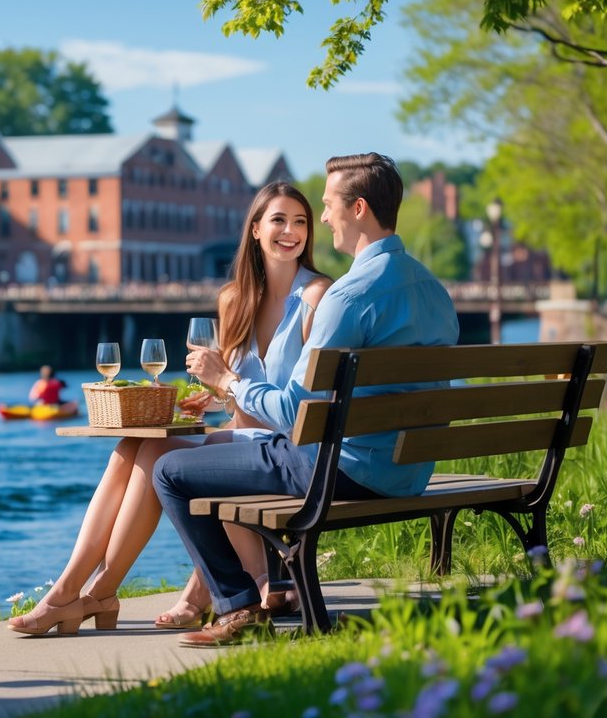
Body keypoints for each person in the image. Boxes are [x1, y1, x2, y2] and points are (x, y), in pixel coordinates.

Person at [154, 152, 460, 648]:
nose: (322, 218)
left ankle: (238, 607)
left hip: (341, 471)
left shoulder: (346, 297)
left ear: (357, 208)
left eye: (326, 205)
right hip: (409, 471)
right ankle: (267, 587)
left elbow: (297, 413)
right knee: (224, 457)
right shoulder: (431, 287)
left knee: (169, 470)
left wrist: (229, 383)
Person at [8, 182, 331, 636]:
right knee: (132, 446)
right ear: (255, 229)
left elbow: (300, 403)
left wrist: (227, 385)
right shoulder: (233, 300)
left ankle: (85, 594)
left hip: (290, 450)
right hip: (248, 438)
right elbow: (238, 395)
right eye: (278, 220)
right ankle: (78, 589)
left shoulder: (316, 298)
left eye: (300, 222)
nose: (290, 231)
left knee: (151, 454)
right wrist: (213, 396)